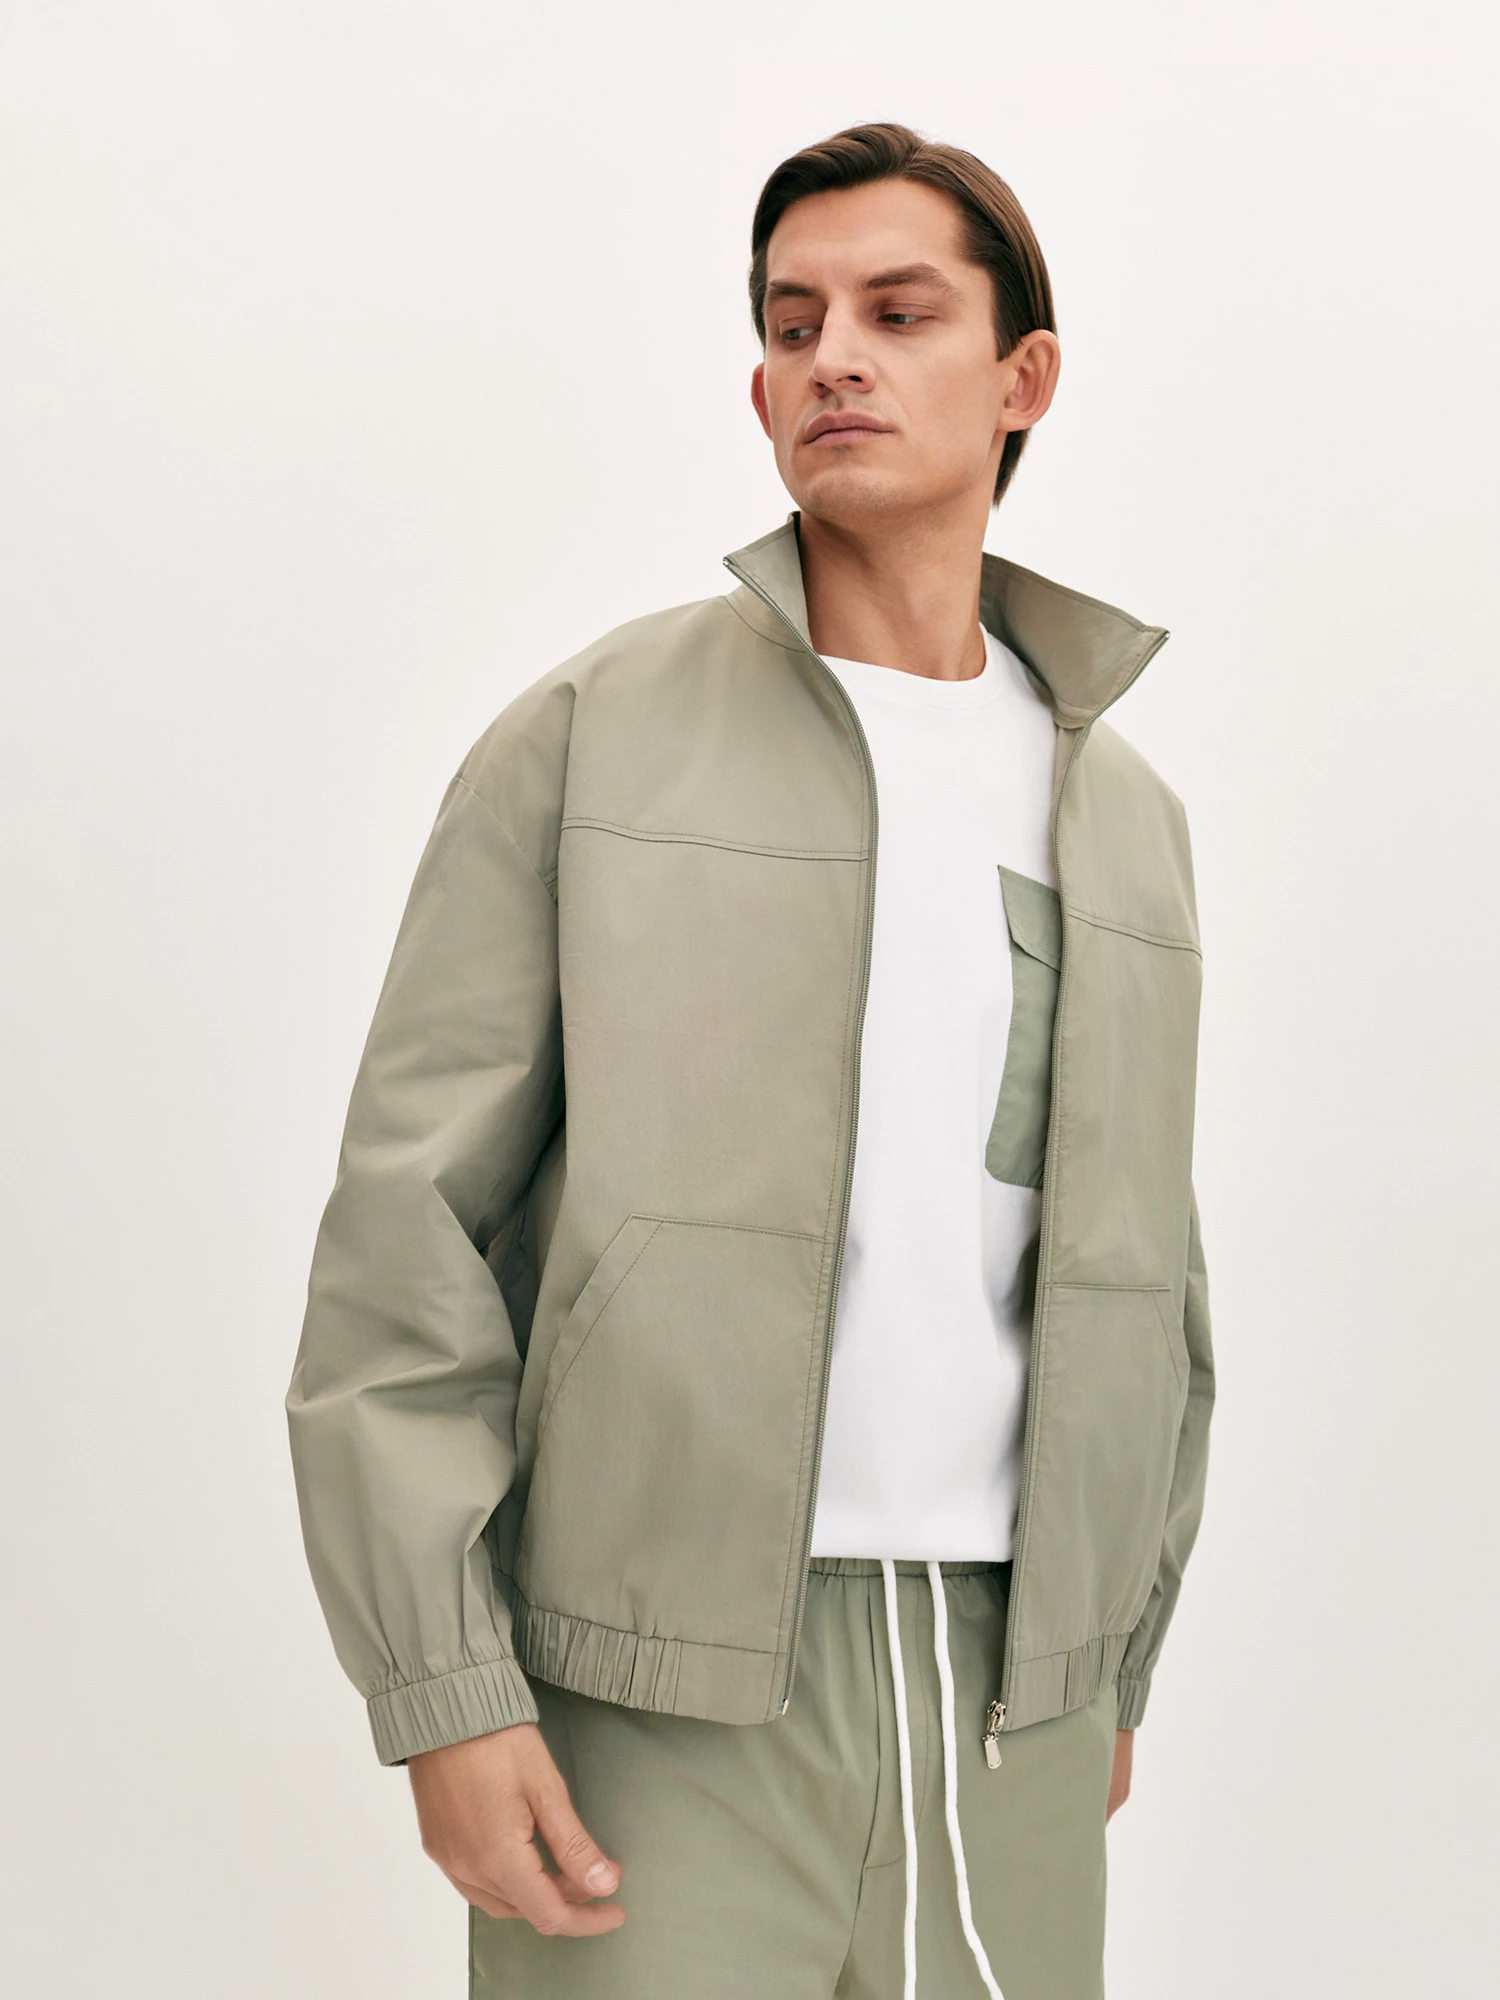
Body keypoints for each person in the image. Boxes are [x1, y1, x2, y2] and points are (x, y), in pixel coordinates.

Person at [288, 121, 1214, 2000]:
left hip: (1014, 1698)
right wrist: (445, 1690)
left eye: (898, 312)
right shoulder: (590, 738)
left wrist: (1110, 1658)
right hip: (656, 1692)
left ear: (1023, 377)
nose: (832, 359)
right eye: (795, 324)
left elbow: (1147, 1268)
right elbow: (407, 1243)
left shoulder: (1122, 812)